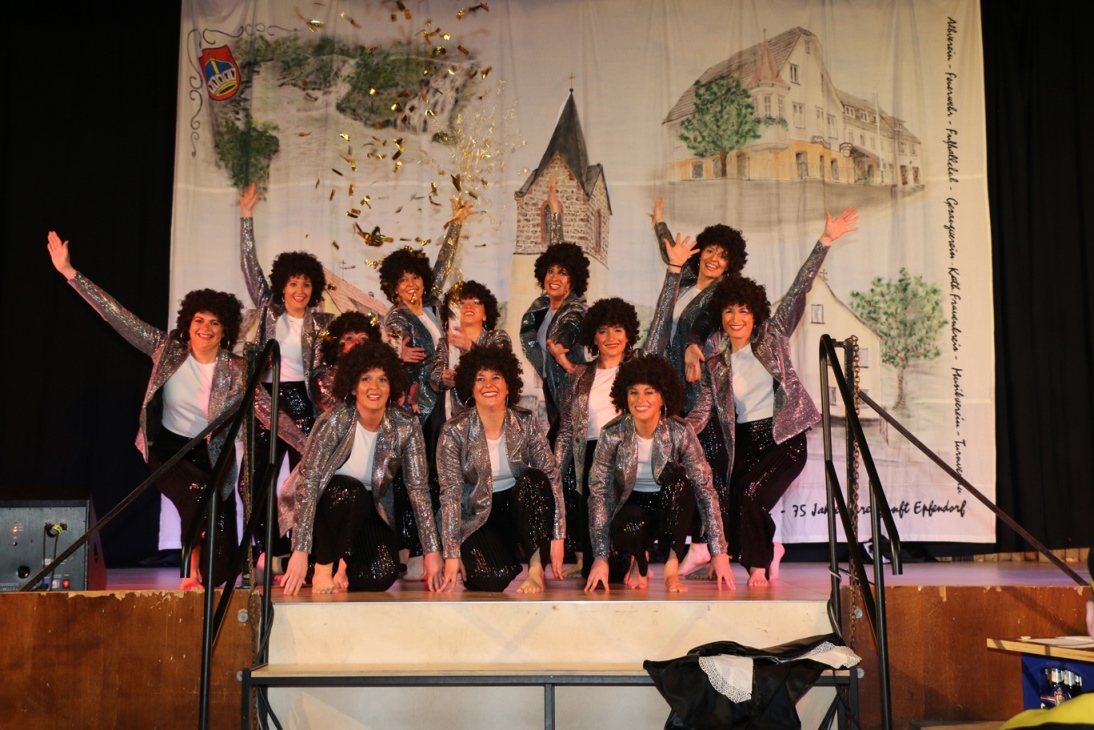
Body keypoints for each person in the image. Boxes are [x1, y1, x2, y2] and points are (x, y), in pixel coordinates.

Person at [46, 231, 303, 589]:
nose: (205, 328)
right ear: (188, 324)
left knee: (222, 571)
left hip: (214, 459)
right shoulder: (166, 349)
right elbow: (117, 316)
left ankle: (207, 567)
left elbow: (269, 412)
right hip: (170, 450)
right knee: (196, 492)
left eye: (214, 323)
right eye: (199, 320)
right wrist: (70, 273)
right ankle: (188, 567)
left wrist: (310, 446)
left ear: (225, 330)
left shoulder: (237, 369)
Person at [690, 208, 859, 587]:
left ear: (756, 314)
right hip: (745, 442)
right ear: (721, 315)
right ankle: (770, 550)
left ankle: (758, 566)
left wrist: (825, 241)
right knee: (734, 498)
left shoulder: (773, 334)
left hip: (784, 438)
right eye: (729, 311)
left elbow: (799, 288)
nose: (736, 318)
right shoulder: (715, 355)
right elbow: (704, 408)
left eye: (744, 310)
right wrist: (676, 429)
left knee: (751, 495)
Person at [280, 342, 442, 594]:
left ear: (392, 386)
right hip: (326, 510)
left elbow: (418, 489)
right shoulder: (334, 420)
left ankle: (345, 565)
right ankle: (322, 565)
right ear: (353, 386)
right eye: (366, 379)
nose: (374, 387)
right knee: (349, 490)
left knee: (380, 576)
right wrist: (299, 549)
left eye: (382, 379)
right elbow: (308, 485)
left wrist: (431, 550)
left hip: (369, 508)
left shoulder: (405, 424)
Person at [646, 199, 748, 576]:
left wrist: (692, 344)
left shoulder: (723, 293)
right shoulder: (686, 280)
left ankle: (706, 545)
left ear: (730, 264)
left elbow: (705, 321)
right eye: (710, 251)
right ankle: (699, 545)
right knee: (683, 470)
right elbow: (672, 254)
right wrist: (659, 223)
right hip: (673, 385)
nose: (714, 259)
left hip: (703, 388)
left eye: (723, 256)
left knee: (708, 467)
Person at [583, 354, 734, 593]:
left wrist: (719, 552)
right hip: (631, 508)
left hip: (670, 506)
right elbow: (598, 494)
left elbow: (704, 488)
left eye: (649, 392)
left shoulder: (679, 431)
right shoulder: (612, 433)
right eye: (633, 392)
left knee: (680, 484)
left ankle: (670, 569)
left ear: (663, 396)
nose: (640, 400)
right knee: (628, 530)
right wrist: (600, 558)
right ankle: (639, 560)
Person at [238, 184, 333, 555]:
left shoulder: (322, 322)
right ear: (282, 285)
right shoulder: (268, 309)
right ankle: (267, 550)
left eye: (306, 284)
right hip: (265, 397)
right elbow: (250, 267)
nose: (300, 289)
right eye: (294, 283)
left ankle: (302, 550)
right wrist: (246, 217)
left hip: (304, 401)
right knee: (256, 478)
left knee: (305, 477)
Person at [437, 345, 565, 593]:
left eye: (496, 377)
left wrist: (558, 535)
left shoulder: (526, 422)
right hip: (474, 518)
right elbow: (450, 495)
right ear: (470, 387)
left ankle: (536, 570)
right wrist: (452, 554)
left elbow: (551, 476)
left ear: (508, 386)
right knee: (493, 579)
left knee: (536, 479)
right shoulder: (454, 430)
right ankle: (499, 558)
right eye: (480, 378)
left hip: (515, 512)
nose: (489, 384)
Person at [554, 297, 640, 578]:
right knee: (595, 565)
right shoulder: (579, 375)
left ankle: (638, 558)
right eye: (603, 331)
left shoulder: (637, 369)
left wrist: (674, 275)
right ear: (594, 337)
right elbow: (567, 428)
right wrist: (555, 471)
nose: (610, 337)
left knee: (619, 562)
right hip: (589, 456)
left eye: (617, 329)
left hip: (627, 453)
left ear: (628, 334)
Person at [519, 175, 590, 444]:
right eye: (551, 271)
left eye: (564, 273)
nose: (555, 277)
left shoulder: (577, 307)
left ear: (574, 280)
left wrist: (561, 345)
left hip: (573, 388)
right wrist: (555, 214)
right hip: (551, 386)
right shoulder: (541, 307)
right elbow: (557, 250)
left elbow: (572, 323)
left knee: (565, 444)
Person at [429, 279, 512, 420]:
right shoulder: (446, 343)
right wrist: (444, 378)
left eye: (476, 302)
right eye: (462, 303)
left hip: (492, 414)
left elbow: (501, 367)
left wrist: (470, 346)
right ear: (453, 313)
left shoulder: (498, 337)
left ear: (485, 314)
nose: (468, 306)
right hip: (455, 417)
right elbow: (434, 378)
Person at [314, 310, 383, 413]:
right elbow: (343, 412)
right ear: (337, 345)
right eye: (349, 338)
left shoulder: (377, 374)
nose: (357, 343)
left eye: (363, 339)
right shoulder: (324, 376)